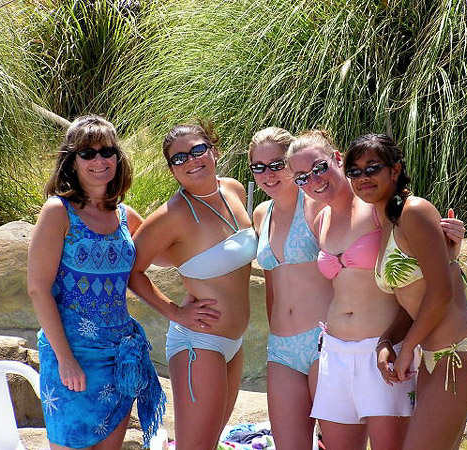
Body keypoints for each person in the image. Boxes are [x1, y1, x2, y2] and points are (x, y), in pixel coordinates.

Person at [285, 130, 465, 450]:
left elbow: (421, 271)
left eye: (319, 167)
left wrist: (452, 247)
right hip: (334, 353)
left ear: (337, 159)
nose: (314, 180)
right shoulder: (320, 218)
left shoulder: (378, 205)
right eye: (302, 177)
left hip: (382, 351)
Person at [344, 133, 467, 450]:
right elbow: (412, 298)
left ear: (395, 170)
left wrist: (407, 348)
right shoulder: (388, 221)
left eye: (372, 167)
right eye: (354, 171)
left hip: (459, 352)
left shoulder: (414, 210)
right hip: (432, 358)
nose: (363, 177)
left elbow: (441, 292)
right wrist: (387, 341)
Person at [27, 115, 166, 450]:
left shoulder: (126, 216)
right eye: (87, 153)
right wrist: (65, 358)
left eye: (107, 151)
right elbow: (38, 289)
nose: (99, 160)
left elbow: (170, 255)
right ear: (71, 162)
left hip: (119, 358)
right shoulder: (58, 212)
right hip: (72, 355)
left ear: (117, 158)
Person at [128, 120, 258, 450]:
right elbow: (131, 270)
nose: (191, 160)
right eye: (179, 158)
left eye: (198, 150)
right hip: (198, 343)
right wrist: (175, 312)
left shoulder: (234, 190)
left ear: (214, 150)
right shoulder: (172, 215)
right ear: (172, 169)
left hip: (234, 341)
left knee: (209, 443)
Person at [249, 127, 332, 449]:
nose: (268, 174)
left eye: (276, 164)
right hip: (282, 347)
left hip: (323, 339)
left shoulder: (316, 205)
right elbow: (272, 280)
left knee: (338, 443)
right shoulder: (261, 214)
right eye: (259, 167)